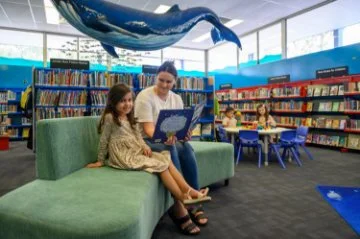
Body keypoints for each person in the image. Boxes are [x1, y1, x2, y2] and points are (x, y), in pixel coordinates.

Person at [86, 84, 211, 214]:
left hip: (135, 150)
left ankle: (191, 191)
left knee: (166, 160)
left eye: (129, 100)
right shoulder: (110, 118)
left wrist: (145, 146)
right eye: (122, 101)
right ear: (113, 102)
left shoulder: (129, 116)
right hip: (123, 155)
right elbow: (104, 139)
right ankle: (182, 198)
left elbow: (138, 136)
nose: (127, 104)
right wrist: (100, 160)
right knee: (161, 167)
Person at [135, 61, 209, 235]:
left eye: (169, 82)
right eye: (161, 80)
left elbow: (179, 126)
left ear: (175, 82)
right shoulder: (144, 97)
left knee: (186, 148)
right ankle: (179, 205)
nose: (164, 85)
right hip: (148, 140)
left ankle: (194, 200)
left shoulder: (176, 98)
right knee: (171, 149)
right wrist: (169, 137)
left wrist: (185, 133)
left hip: (168, 138)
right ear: (156, 77)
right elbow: (148, 129)